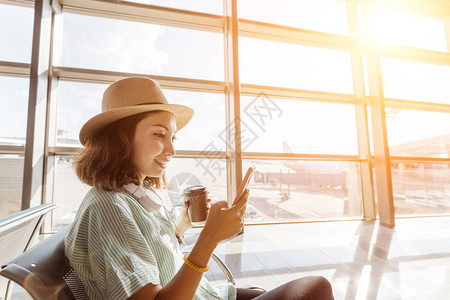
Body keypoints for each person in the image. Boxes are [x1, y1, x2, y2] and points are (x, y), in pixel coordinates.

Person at [65, 77, 334, 300]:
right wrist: (209, 238)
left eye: (172, 137)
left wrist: (181, 227)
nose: (171, 150)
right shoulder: (109, 207)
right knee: (316, 288)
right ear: (120, 139)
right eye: (159, 135)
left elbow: (147, 253)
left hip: (202, 294)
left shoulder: (130, 195)